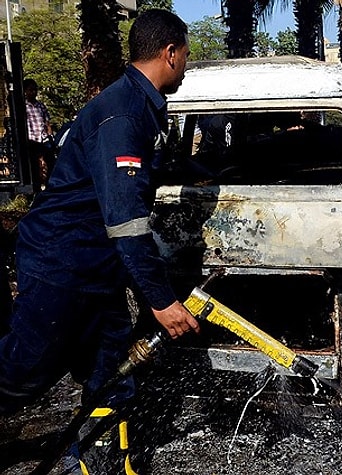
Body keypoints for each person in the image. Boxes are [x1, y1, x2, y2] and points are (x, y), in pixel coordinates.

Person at [0, 9, 199, 473]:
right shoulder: (123, 113)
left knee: (113, 375)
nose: (186, 65)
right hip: (62, 265)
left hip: (98, 270)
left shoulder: (134, 105)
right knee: (21, 376)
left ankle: (93, 461)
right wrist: (161, 300)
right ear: (170, 53)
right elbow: (127, 222)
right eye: (186, 56)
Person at [23, 78, 54, 189]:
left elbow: (47, 122)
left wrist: (50, 136)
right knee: (34, 166)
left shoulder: (41, 106)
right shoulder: (23, 106)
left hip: (43, 139)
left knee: (50, 162)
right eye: (30, 90)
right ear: (25, 91)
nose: (33, 92)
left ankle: (50, 186)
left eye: (35, 90)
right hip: (31, 140)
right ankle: (35, 188)